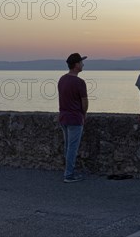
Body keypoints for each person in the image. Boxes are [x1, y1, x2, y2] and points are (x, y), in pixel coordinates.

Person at [58, 53, 89, 183]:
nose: (83, 64)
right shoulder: (80, 82)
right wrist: (84, 114)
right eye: (81, 62)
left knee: (68, 146)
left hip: (63, 117)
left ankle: (68, 171)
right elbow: (85, 103)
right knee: (72, 148)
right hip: (75, 118)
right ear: (76, 65)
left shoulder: (62, 79)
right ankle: (69, 174)